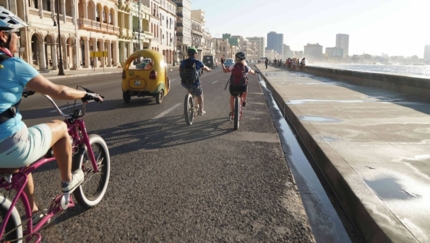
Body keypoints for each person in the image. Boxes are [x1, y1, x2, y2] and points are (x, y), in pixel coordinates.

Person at [0, 8, 103, 223]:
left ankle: (35, 212)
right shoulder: (14, 65)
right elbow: (59, 91)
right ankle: (68, 184)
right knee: (61, 127)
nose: (17, 38)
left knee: (22, 167)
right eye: (15, 33)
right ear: (3, 35)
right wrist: (86, 94)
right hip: (11, 146)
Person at [221, 52, 257, 117]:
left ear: (236, 58)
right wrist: (255, 72)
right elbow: (253, 72)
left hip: (233, 86)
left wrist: (222, 63)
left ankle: (232, 112)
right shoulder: (246, 67)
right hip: (242, 87)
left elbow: (224, 70)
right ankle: (243, 101)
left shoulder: (233, 66)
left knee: (232, 96)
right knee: (245, 89)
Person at [179, 46, 211, 115]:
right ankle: (201, 110)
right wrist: (209, 69)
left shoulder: (184, 62)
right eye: (196, 53)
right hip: (195, 83)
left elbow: (180, 69)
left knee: (189, 90)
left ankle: (188, 106)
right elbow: (205, 68)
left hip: (185, 83)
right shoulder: (197, 62)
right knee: (200, 95)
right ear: (194, 54)